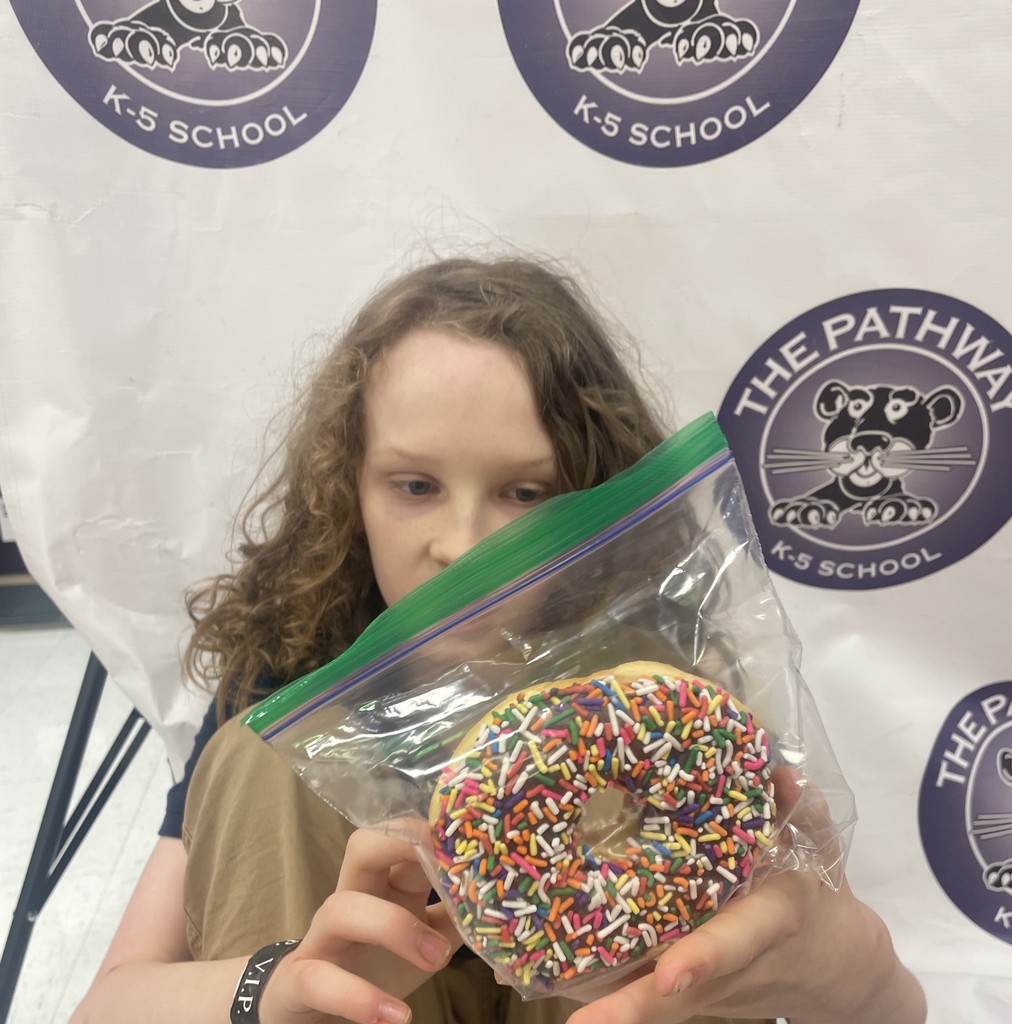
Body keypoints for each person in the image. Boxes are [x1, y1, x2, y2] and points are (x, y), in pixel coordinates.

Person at [71, 255, 926, 1024]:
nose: (465, 547)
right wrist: (282, 988)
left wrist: (864, 984)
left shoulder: (664, 703)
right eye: (415, 485)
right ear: (347, 485)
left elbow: (887, 1007)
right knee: (254, 759)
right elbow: (107, 1003)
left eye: (524, 494)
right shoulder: (289, 685)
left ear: (589, 496)